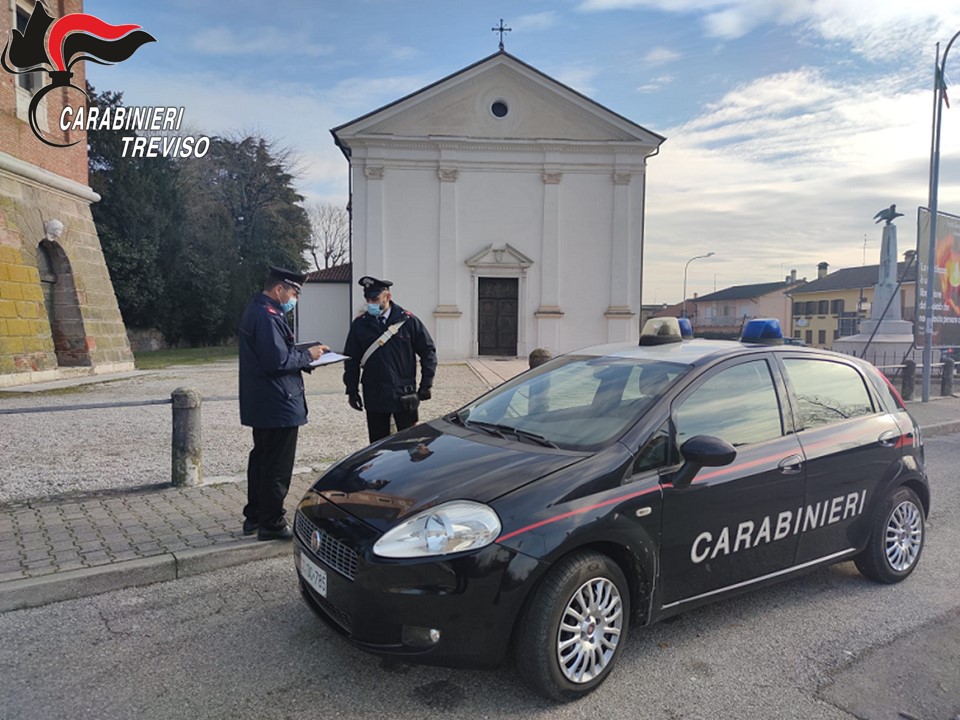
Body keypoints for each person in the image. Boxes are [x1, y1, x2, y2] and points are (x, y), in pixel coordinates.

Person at [239, 266, 329, 541]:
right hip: (278, 403)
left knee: (262, 461)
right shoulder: (267, 316)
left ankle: (254, 516)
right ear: (279, 290)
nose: (294, 299)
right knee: (276, 467)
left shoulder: (262, 311)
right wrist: (309, 355)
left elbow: (278, 353)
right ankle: (272, 523)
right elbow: (277, 361)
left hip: (266, 402)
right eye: (293, 292)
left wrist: (301, 354)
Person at [343, 275, 437, 443]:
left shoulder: (408, 321)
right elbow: (352, 359)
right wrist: (351, 390)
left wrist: (426, 384)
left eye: (375, 299)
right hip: (375, 394)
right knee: (378, 447)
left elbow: (428, 352)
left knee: (409, 444)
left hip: (404, 395)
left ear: (387, 297)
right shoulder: (360, 324)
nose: (370, 303)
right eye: (368, 299)